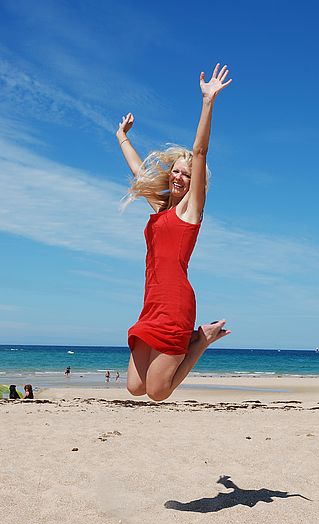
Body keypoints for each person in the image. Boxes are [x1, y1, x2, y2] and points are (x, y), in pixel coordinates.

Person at [116, 63, 232, 402]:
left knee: (158, 393)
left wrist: (207, 101)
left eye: (186, 174)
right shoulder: (162, 210)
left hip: (176, 302)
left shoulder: (191, 211)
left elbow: (200, 152)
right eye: (175, 172)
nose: (179, 177)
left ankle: (200, 342)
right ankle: (196, 341)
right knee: (134, 387)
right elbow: (139, 173)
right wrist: (122, 136)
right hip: (151, 301)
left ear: (195, 181)